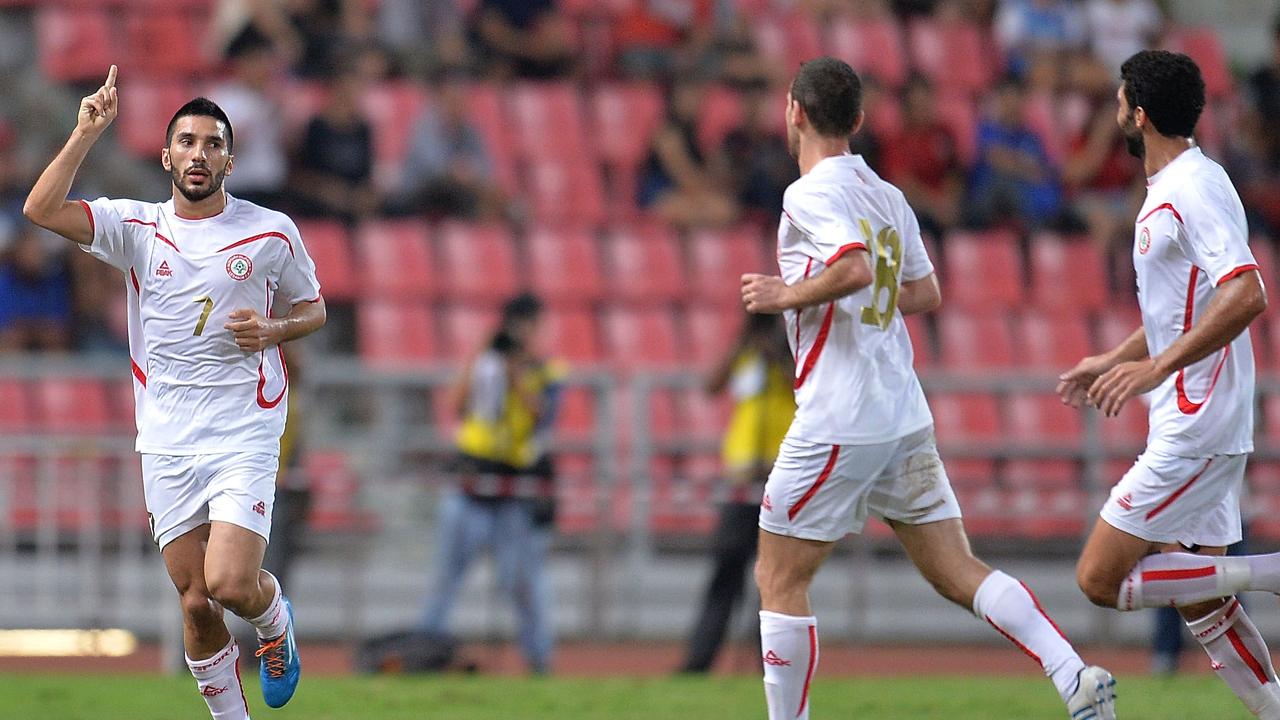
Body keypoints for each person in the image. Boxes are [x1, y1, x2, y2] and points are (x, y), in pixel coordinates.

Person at [738, 57, 1115, 720]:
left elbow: (852, 268)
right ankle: (1073, 673)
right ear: (856, 119)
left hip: (839, 413)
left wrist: (786, 294)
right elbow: (926, 290)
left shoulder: (808, 193)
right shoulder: (886, 194)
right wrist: (858, 300)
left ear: (793, 111)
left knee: (779, 577)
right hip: (900, 410)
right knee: (954, 571)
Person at [23, 67, 325, 719]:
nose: (198, 153)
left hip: (244, 427)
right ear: (166, 156)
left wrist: (274, 328)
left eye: (212, 143)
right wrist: (84, 133)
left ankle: (274, 622)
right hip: (166, 437)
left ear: (230, 159)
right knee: (194, 600)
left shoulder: (270, 233)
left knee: (229, 582)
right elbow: (40, 209)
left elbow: (315, 309)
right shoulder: (137, 228)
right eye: (186, 141)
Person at [1059, 50, 1280, 720]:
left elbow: (1245, 292)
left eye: (1121, 99)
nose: (1116, 110)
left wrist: (1156, 369)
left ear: (1140, 112)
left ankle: (1270, 571)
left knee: (1098, 577)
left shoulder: (1193, 187)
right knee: (1204, 601)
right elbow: (1183, 308)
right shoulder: (1174, 187)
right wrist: (1116, 355)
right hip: (1201, 412)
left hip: (1197, 416)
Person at [420, 293, 563, 674]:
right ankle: (424, 652)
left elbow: (541, 417)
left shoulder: (545, 370)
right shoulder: (485, 364)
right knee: (445, 578)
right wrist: (480, 355)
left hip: (513, 488)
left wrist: (517, 371)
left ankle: (539, 661)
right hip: (470, 481)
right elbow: (457, 404)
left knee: (522, 582)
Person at [680, 312, 795, 674]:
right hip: (742, 479)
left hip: (780, 477)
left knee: (774, 579)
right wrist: (742, 343)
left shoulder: (791, 355)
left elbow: (805, 391)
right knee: (725, 570)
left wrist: (778, 352)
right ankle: (700, 660)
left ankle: (771, 663)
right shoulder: (744, 355)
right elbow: (711, 384)